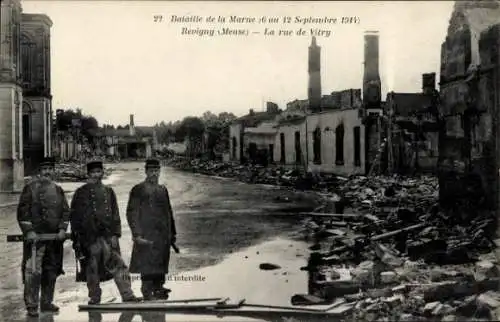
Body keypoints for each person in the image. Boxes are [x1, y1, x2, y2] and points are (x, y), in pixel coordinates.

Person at [70, 160, 139, 304]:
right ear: (88, 174)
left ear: (102, 173)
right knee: (92, 269)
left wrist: (116, 234)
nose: (96, 175)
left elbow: (115, 215)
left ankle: (128, 295)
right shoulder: (80, 193)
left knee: (119, 265)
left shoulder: (109, 192)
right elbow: (74, 217)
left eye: (98, 172)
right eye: (93, 173)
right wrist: (77, 239)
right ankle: (94, 297)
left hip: (108, 237)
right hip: (89, 239)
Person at [17, 157, 70, 317]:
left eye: (50, 169)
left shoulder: (58, 189)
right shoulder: (29, 189)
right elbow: (23, 212)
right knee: (33, 272)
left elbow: (65, 212)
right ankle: (32, 305)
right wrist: (29, 231)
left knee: (51, 271)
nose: (47, 172)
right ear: (39, 172)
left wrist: (62, 229)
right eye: (44, 169)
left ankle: (46, 303)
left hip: (54, 240)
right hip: (36, 241)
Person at [126, 159, 177, 300]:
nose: (154, 173)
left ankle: (159, 287)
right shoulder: (138, 189)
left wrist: (172, 233)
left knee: (161, 260)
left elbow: (169, 212)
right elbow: (132, 212)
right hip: (146, 233)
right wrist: (136, 233)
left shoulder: (163, 189)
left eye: (157, 170)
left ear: (160, 171)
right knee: (147, 262)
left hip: (162, 234)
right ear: (146, 171)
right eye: (151, 171)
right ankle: (147, 290)